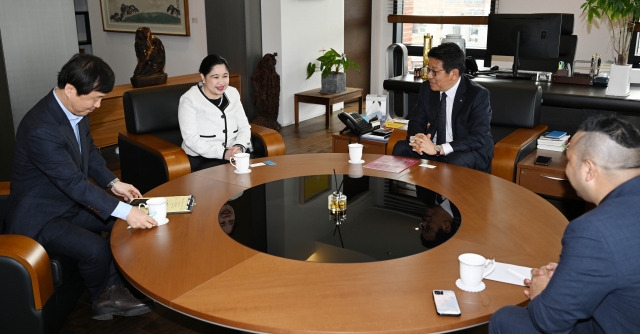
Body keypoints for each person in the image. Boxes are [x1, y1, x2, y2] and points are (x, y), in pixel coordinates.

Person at [3, 54, 156, 320]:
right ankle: (103, 299)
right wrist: (124, 209)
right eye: (95, 98)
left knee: (120, 225)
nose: (98, 106)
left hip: (67, 203)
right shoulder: (41, 128)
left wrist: (114, 182)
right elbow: (73, 182)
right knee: (96, 247)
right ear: (71, 89)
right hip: (40, 215)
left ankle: (117, 285)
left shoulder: (76, 109)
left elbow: (91, 154)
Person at [489, 116, 640, 333]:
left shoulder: (593, 231)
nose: (566, 169)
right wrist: (577, 272)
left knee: (506, 318)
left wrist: (541, 291)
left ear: (588, 170)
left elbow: (549, 321)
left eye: (569, 161)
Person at [392, 42, 493, 173]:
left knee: (454, 161)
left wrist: (438, 149)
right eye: (428, 70)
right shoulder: (427, 89)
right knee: (401, 148)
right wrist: (419, 140)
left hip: (465, 149)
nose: (429, 76)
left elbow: (477, 137)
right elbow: (416, 121)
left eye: (434, 71)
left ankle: (449, 194)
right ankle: (424, 193)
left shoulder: (477, 95)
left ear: (454, 74)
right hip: (433, 146)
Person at [179, 54, 252, 171]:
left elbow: (244, 126)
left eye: (225, 76)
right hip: (203, 158)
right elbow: (191, 139)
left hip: (235, 154)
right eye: (215, 77)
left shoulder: (233, 93)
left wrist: (239, 146)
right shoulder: (189, 99)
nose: (221, 82)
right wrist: (224, 153)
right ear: (203, 77)